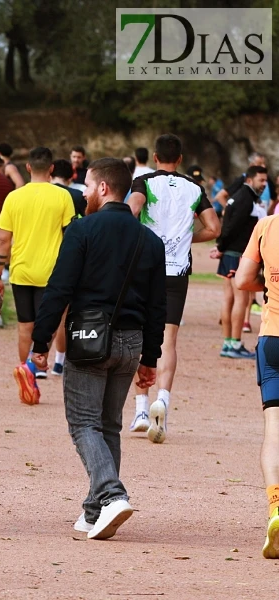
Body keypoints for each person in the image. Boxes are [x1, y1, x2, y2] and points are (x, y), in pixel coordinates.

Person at [31, 158, 166, 540]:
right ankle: (94, 512)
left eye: (88, 186)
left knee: (83, 424)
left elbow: (60, 289)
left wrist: (41, 341)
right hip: (132, 341)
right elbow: (159, 306)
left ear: (104, 188)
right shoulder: (150, 240)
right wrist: (150, 358)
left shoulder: (83, 230)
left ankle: (111, 494)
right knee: (108, 425)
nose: (84, 193)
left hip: (91, 339)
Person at [127, 134, 220, 443]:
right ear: (180, 159)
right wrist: (185, 237)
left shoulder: (144, 182)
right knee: (168, 338)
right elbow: (214, 228)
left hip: (145, 268)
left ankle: (141, 409)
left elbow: (132, 209)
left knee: (139, 334)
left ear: (155, 157)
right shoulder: (194, 189)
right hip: (177, 270)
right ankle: (162, 400)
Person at [0, 147, 76, 403]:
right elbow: (70, 236)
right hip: (51, 272)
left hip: (20, 271)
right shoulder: (62, 197)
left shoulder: (14, 197)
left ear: (27, 168)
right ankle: (33, 366)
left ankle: (25, 369)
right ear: (51, 168)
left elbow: (4, 241)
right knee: (50, 325)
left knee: (24, 327)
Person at [234, 211, 279, 558]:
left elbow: (243, 280)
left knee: (273, 430)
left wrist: (266, 287)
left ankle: (275, 506)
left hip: (272, 339)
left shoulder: (266, 226)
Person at [213, 165, 268, 359]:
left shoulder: (238, 196)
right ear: (249, 180)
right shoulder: (246, 199)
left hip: (230, 252)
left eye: (265, 180)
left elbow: (227, 224)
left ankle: (228, 343)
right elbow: (234, 226)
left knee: (228, 298)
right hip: (238, 254)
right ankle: (235, 344)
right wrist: (221, 246)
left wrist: (221, 246)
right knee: (241, 299)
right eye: (261, 180)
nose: (264, 184)